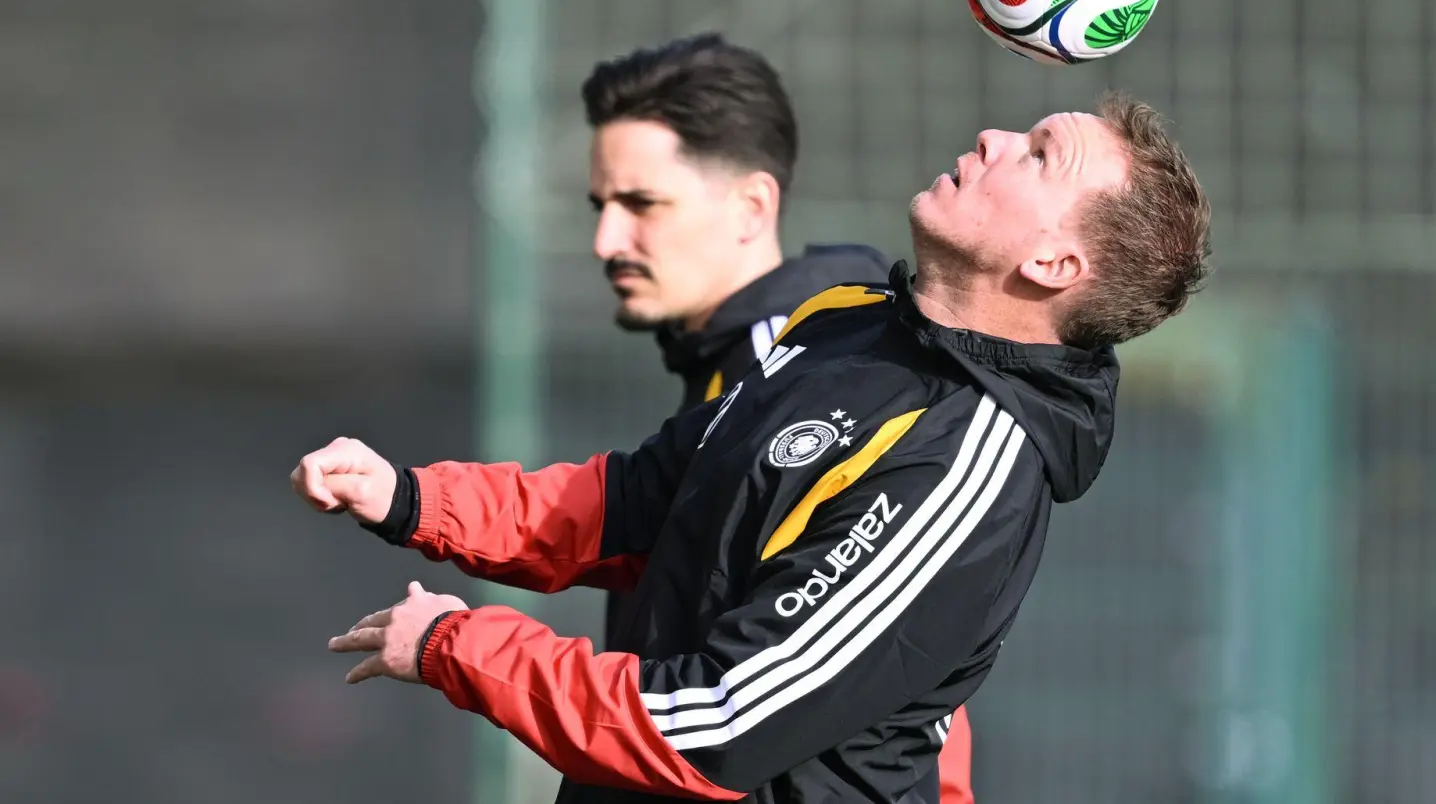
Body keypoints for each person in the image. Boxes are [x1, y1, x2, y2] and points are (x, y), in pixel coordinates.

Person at [293, 90, 1212, 804]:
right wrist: (414, 499)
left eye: (1039, 155)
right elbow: (645, 503)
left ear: (1053, 267)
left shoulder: (966, 467)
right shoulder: (848, 320)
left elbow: (719, 721)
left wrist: (462, 646)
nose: (990, 140)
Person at [577, 32, 978, 804]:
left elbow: (893, 659)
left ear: (753, 206)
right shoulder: (759, 363)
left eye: (641, 205)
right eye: (601, 206)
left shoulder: (797, 378)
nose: (606, 241)